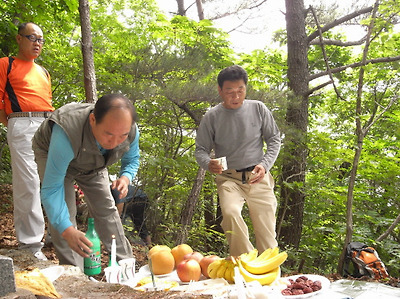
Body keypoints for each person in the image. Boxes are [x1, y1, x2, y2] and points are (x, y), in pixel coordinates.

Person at [32, 94, 140, 270]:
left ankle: (125, 265)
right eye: (108, 134)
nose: (114, 143)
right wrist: (67, 230)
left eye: (122, 136)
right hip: (54, 154)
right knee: (65, 215)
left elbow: (133, 158)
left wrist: (126, 177)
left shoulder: (131, 131)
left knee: (106, 208)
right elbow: (52, 190)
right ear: (92, 120)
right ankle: (73, 272)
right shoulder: (66, 132)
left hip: (93, 162)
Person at [195, 65, 281, 256]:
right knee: (231, 212)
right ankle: (245, 262)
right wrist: (208, 163)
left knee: (267, 233)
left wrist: (265, 165)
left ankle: (269, 274)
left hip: (258, 176)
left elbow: (274, 139)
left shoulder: (258, 108)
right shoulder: (212, 117)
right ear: (220, 91)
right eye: (230, 92)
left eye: (240, 90)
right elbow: (201, 150)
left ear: (245, 89)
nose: (235, 96)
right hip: (229, 178)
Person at [0, 22, 54, 260]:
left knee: (55, 179)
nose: (37, 43)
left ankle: (58, 234)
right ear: (19, 39)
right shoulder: (6, 64)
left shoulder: (43, 72)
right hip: (22, 122)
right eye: (32, 37)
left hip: (48, 124)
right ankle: (31, 245)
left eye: (41, 39)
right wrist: (14, 124)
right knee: (28, 184)